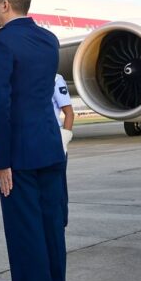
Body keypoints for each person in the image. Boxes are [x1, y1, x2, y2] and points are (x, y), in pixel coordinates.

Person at [0, 0, 68, 281]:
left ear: (5, 5)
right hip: (50, 149)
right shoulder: (49, 40)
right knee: (52, 237)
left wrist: (0, 160)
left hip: (18, 156)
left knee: (26, 240)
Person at [53, 74, 74, 227]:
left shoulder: (55, 79)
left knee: (58, 189)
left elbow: (69, 113)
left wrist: (63, 139)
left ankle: (61, 224)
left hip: (55, 139)